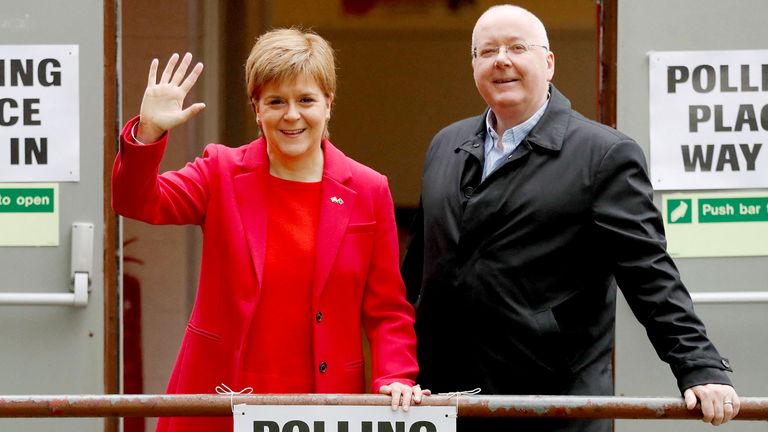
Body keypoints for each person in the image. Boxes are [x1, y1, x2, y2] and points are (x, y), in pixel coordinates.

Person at [402, 5, 738, 432]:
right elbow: (417, 273)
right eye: (487, 51)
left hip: (553, 406)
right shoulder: (445, 145)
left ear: (549, 62)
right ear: (473, 65)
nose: (501, 59)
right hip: (447, 402)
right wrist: (398, 368)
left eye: (517, 47)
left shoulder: (603, 156)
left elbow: (649, 272)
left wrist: (699, 365)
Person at [113, 28, 428, 432]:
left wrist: (395, 376)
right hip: (219, 397)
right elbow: (137, 201)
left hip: (322, 401)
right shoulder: (220, 171)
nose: (292, 115)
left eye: (306, 100)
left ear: (329, 104)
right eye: (276, 101)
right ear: (256, 108)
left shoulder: (367, 189)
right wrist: (149, 133)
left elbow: (386, 310)